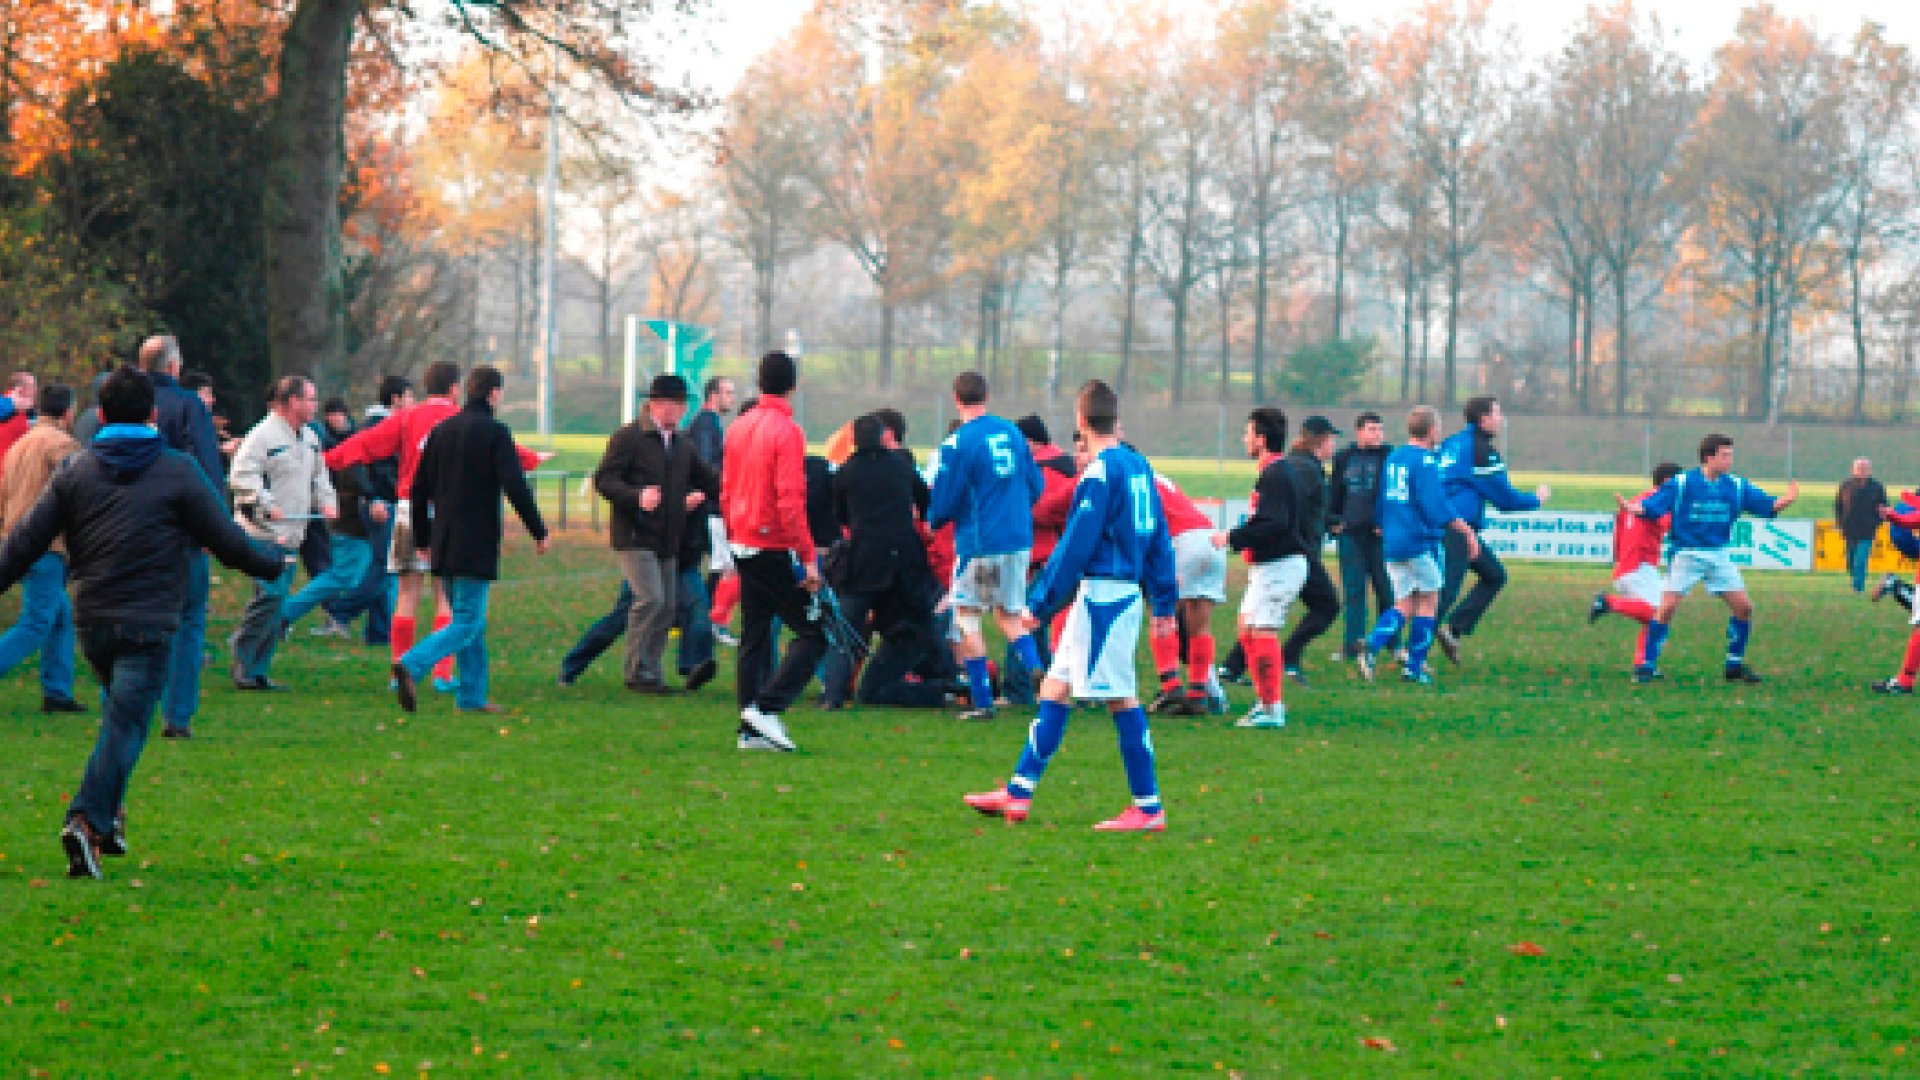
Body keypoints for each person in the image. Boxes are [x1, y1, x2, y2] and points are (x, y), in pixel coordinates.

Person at [0, 366, 283, 879]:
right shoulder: (178, 471)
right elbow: (226, 540)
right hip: (150, 622)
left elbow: (22, 543)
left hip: (95, 624)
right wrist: (272, 561)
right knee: (127, 726)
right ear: (153, 414)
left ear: (101, 416)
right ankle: (85, 821)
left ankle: (107, 823)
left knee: (119, 719)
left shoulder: (76, 472)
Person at [963, 380, 1177, 832]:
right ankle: (1018, 792)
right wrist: (1163, 600)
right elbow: (1159, 537)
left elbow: (1075, 547)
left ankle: (1148, 805)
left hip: (1106, 598)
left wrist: (1038, 603)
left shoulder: (1100, 474)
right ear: (1114, 421)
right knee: (1055, 689)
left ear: (1080, 422)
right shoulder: (1138, 466)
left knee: (1121, 697)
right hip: (1110, 596)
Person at [326, 361, 545, 693]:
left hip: (407, 511)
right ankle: (440, 673)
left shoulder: (407, 417)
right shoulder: (461, 421)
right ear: (455, 388)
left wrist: (331, 457)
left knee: (406, 594)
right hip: (448, 516)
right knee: (448, 599)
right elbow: (505, 454)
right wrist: (531, 459)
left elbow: (368, 442)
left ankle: (396, 672)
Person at [391, 366, 549, 713]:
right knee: (467, 621)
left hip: (443, 540)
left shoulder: (442, 432)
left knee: (469, 622)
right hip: (475, 540)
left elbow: (418, 489)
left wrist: (422, 537)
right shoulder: (495, 433)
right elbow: (515, 486)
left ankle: (472, 697)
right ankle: (412, 664)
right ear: (493, 394)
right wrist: (538, 530)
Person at [1617, 433, 1799, 684]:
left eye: (1731, 455)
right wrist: (1635, 508)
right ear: (1708, 457)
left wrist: (1786, 500)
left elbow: (1767, 505)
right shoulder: (1682, 483)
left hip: (1719, 554)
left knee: (1744, 608)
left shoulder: (1735, 485)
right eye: (1724, 455)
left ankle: (1733, 666)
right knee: (1666, 608)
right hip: (1687, 553)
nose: (1729, 461)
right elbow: (1654, 505)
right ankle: (1645, 666)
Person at [722, 352, 827, 752]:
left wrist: (733, 533)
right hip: (772, 542)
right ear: (793, 386)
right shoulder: (787, 431)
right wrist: (808, 556)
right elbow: (790, 498)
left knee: (755, 633)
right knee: (813, 632)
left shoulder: (739, 426)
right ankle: (765, 709)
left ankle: (750, 728)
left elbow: (727, 486)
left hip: (743, 539)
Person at [926, 371, 1045, 721]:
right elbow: (1035, 486)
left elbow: (945, 500)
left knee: (967, 617)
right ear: (987, 395)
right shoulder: (1012, 433)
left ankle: (982, 701)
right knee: (1009, 615)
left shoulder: (958, 443)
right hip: (1019, 538)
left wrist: (932, 520)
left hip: (981, 543)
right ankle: (1037, 668)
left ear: (955, 398)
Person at [590, 374, 720, 694]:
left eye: (680, 405)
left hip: (667, 538)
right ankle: (636, 671)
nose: (676, 411)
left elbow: (709, 480)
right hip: (634, 536)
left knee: (667, 606)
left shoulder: (682, 444)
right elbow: (604, 479)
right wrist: (636, 497)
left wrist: (740, 495)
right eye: (670, 404)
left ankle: (652, 671)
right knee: (650, 599)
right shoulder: (629, 438)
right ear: (653, 404)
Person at [136, 336, 227, 738]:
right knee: (188, 621)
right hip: (182, 530)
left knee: (136, 619)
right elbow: (207, 467)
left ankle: (125, 704)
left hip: (135, 529)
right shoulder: (189, 406)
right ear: (173, 367)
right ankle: (178, 714)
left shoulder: (124, 403)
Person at [227, 375, 337, 691]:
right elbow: (241, 477)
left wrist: (328, 503)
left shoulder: (310, 437)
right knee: (271, 597)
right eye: (310, 399)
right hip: (262, 533)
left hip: (292, 534)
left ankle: (256, 671)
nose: (315, 405)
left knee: (277, 605)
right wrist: (266, 503)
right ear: (293, 402)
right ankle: (243, 654)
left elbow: (320, 477)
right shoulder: (262, 436)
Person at [1358, 406, 1479, 685]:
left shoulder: (1394, 456)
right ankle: (1413, 667)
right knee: (1430, 600)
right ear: (1432, 430)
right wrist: (1465, 529)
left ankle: (1373, 647)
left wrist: (1381, 522)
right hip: (1417, 541)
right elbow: (1435, 506)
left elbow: (1383, 497)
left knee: (1405, 603)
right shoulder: (1425, 461)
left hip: (1393, 541)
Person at [824, 413, 935, 708]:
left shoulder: (847, 472)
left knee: (846, 627)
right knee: (918, 621)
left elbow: (840, 516)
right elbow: (925, 500)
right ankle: (945, 678)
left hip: (863, 559)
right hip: (903, 557)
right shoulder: (901, 466)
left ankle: (833, 693)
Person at [1435, 396, 1550, 663]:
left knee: (1493, 575)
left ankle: (1453, 630)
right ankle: (1412, 651)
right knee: (1444, 591)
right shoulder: (1481, 451)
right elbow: (1506, 500)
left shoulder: (1451, 443)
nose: (1501, 418)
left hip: (1440, 523)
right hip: (1457, 529)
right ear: (1483, 419)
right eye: (1497, 413)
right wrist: (1537, 498)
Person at [0, 382, 84, 713]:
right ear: (67, 412)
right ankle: (56, 690)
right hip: (47, 546)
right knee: (36, 621)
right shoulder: (62, 446)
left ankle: (57, 691)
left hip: (14, 540)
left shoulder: (20, 445)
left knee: (60, 617)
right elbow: (78, 496)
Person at [1227, 408, 1312, 728]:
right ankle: (1265, 703)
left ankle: (1273, 709)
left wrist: (1233, 536)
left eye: (1248, 433)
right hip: (1270, 565)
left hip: (1282, 565)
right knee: (1245, 627)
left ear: (1261, 440)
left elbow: (1274, 522)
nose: (1244, 439)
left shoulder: (1276, 473)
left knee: (1261, 630)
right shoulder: (1276, 471)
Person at [319, 376, 410, 644]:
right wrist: (374, 498)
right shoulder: (377, 427)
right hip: (379, 505)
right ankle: (341, 611)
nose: (412, 403)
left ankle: (378, 632)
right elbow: (359, 465)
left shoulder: (388, 425)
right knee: (385, 568)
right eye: (409, 396)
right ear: (396, 399)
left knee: (386, 569)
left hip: (383, 502)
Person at [1147, 467, 1228, 716]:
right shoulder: (1161, 477)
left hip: (1181, 542)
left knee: (1162, 615)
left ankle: (1171, 689)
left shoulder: (1131, 477)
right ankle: (1198, 694)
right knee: (1199, 626)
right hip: (1209, 538)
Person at [1588, 463, 1682, 675]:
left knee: (1658, 615)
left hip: (1629, 567)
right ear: (1668, 483)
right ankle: (1608, 602)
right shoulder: (1657, 504)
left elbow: (1619, 528)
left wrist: (1619, 560)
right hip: (1638, 567)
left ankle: (1643, 664)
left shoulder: (1638, 500)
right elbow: (1672, 522)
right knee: (1658, 614)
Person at [1328, 411, 1395, 662]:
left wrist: (1386, 522)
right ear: (1359, 432)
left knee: (1386, 591)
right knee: (1354, 592)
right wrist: (1332, 521)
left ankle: (1389, 642)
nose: (1377, 434)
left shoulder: (1390, 456)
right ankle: (1353, 645)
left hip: (1380, 536)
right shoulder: (1344, 458)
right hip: (1351, 535)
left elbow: (1396, 495)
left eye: (1379, 429)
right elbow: (1334, 492)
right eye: (1371, 429)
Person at [1280, 416, 1342, 684]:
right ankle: (1288, 659)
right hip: (1299, 552)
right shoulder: (1305, 468)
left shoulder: (1305, 465)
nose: (1334, 445)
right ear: (1320, 441)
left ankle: (1233, 667)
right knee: (1327, 605)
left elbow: (1311, 509)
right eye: (1332, 439)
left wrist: (1329, 523)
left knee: (1270, 608)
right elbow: (1295, 509)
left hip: (1299, 550)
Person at [689, 376, 740, 647]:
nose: (731, 398)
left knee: (722, 566)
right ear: (713, 395)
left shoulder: (709, 422)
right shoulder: (707, 423)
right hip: (712, 509)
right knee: (725, 567)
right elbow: (707, 465)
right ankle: (710, 623)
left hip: (712, 506)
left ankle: (701, 621)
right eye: (727, 393)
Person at [1835, 458, 1887, 593]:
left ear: (1870, 470)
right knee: (1851, 562)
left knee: (1861, 560)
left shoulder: (1877, 487)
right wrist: (1839, 523)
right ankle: (1855, 577)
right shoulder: (1845, 485)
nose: (1862, 471)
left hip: (1867, 530)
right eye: (1859, 468)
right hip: (1849, 529)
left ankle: (1857, 588)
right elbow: (1838, 506)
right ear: (1853, 470)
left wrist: (1878, 521)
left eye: (1865, 468)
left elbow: (1883, 507)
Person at [0, 371, 37, 460]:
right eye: (32, 386)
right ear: (19, 389)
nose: (35, 390)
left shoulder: (25, 411)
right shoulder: (11, 408)